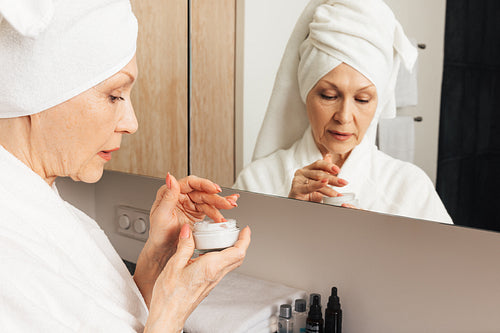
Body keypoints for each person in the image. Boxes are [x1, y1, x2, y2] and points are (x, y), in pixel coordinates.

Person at [0, 1, 250, 332]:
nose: (131, 123)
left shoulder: (60, 217)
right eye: (115, 95)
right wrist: (172, 314)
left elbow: (111, 317)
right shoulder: (10, 259)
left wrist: (155, 260)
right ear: (39, 92)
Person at [234, 0, 452, 223]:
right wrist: (287, 218)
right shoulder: (257, 181)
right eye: (329, 96)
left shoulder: (410, 188)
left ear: (379, 101)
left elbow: (450, 257)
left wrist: (380, 243)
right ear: (305, 92)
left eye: (362, 99)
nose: (344, 117)